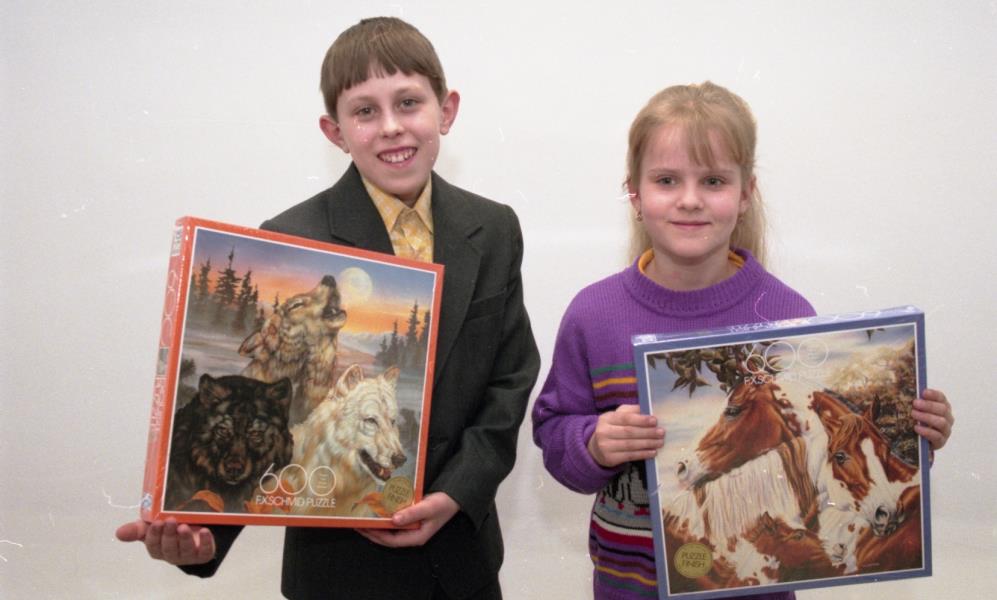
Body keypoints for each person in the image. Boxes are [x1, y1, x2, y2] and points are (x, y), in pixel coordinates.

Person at [116, 16, 540, 599]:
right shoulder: (290, 239)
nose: (391, 127)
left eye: (409, 102)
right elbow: (270, 402)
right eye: (365, 111)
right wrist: (205, 533)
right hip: (338, 572)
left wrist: (457, 493)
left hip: (461, 560)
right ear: (334, 131)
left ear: (446, 110)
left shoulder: (493, 228)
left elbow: (510, 380)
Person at [530, 81, 954, 600]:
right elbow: (554, 434)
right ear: (635, 194)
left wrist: (915, 439)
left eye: (713, 181)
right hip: (629, 589)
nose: (690, 200)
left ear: (746, 193)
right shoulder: (593, 314)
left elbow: (832, 459)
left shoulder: (788, 318)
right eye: (666, 180)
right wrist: (594, 443)